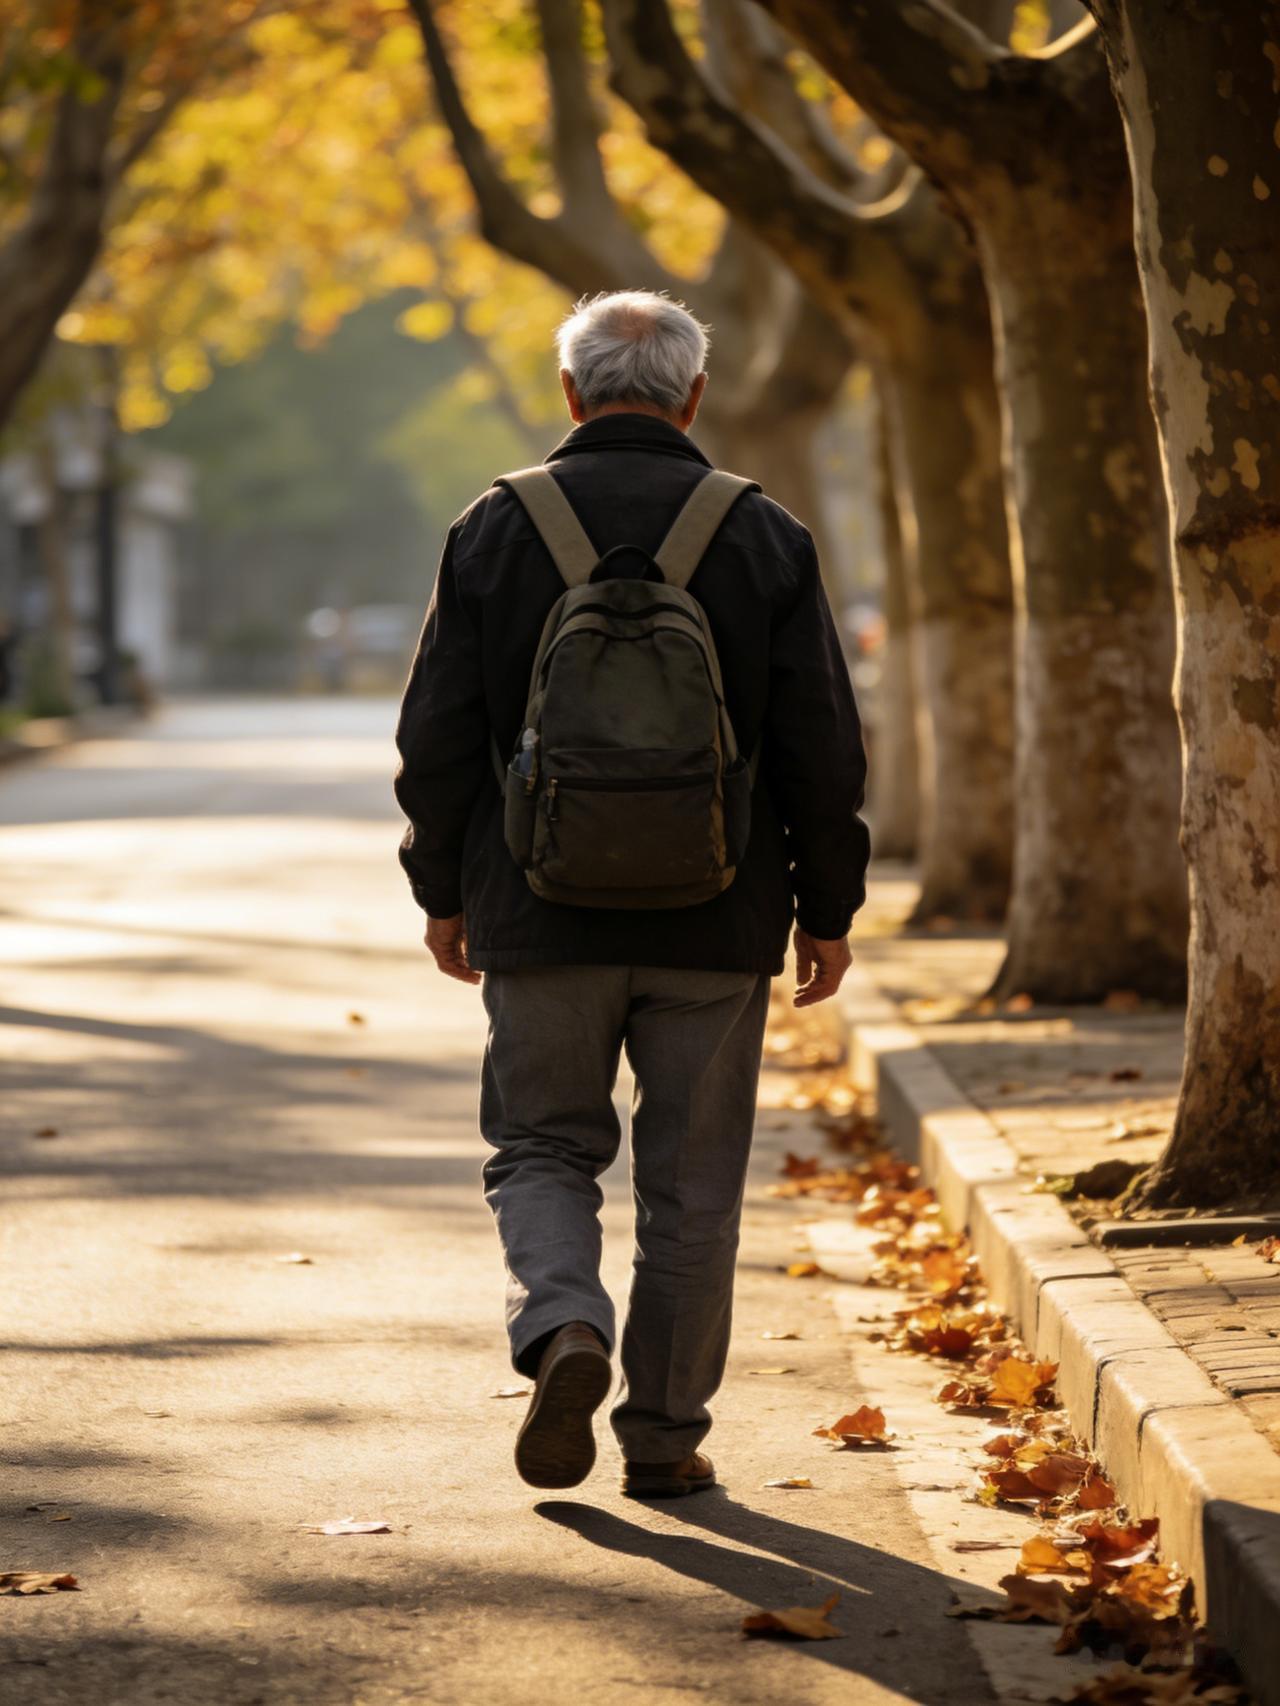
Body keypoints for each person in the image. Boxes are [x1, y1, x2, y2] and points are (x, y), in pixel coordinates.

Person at [394, 289, 870, 1498]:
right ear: (692, 395)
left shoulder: (496, 526)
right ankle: (662, 1438)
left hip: (539, 910)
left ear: (569, 392)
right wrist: (828, 906)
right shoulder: (760, 532)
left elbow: (436, 734)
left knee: (542, 1146)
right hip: (716, 916)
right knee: (692, 1188)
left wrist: (441, 889)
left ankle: (563, 1324)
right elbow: (821, 738)